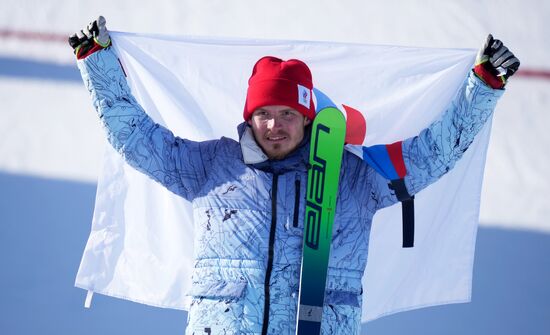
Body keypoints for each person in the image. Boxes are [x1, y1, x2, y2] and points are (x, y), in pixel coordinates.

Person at [70, 16, 519, 335]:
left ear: (308, 118)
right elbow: (138, 139)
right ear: (249, 117)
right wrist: (97, 62)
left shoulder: (352, 178)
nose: (275, 125)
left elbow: (427, 157)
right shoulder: (211, 168)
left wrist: (483, 86)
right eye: (264, 113)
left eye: (287, 113)